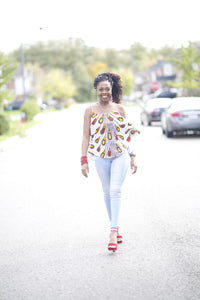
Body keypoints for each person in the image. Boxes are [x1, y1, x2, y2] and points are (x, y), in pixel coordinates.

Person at [81, 72, 140, 252]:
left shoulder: (119, 109)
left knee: (115, 190)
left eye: (107, 89)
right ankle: (115, 224)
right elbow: (85, 136)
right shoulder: (89, 111)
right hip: (100, 156)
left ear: (111, 89)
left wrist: (132, 155)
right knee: (107, 192)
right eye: (101, 89)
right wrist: (83, 160)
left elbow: (125, 135)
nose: (104, 92)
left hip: (120, 154)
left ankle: (113, 232)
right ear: (96, 90)